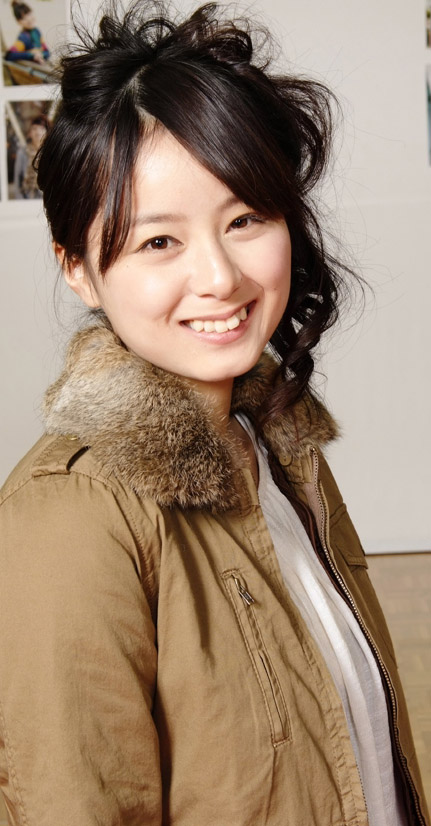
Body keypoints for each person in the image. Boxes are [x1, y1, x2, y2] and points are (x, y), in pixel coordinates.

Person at [0, 2, 428, 824]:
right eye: (158, 242)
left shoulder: (279, 446)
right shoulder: (71, 516)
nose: (221, 278)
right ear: (78, 268)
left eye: (244, 219)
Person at [13, 114, 49, 198]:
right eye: (34, 128)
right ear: (29, 133)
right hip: (27, 198)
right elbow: (17, 180)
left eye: (41, 128)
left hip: (46, 198)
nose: (38, 132)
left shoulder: (50, 153)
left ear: (47, 132)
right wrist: (20, 201)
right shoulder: (22, 153)